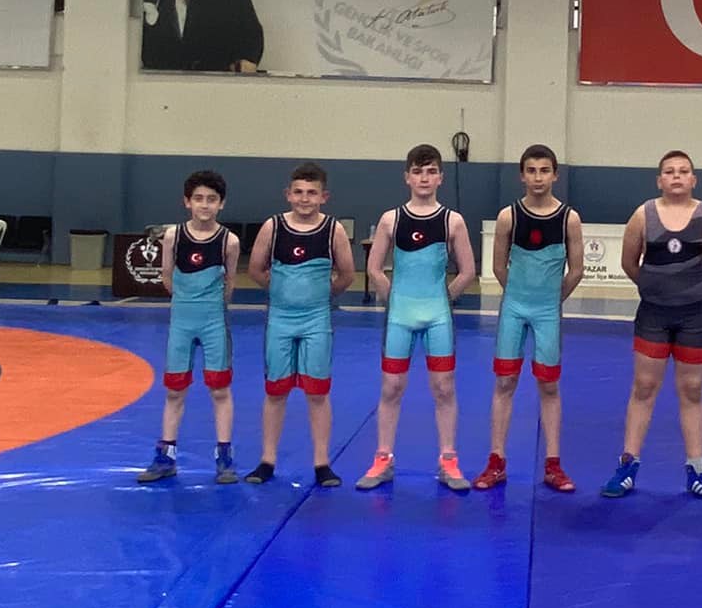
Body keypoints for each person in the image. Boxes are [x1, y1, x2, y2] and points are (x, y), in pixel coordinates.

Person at [599, 151, 702, 504]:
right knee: (644, 386)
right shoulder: (643, 215)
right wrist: (656, 289)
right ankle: (627, 465)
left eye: (683, 171)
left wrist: (692, 291)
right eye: (670, 171)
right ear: (659, 180)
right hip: (653, 316)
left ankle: (697, 471)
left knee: (692, 389)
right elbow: (630, 263)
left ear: (694, 179)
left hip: (695, 317)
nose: (676, 176)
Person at [356, 144, 479, 492]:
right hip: (400, 316)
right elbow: (374, 268)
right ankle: (383, 458)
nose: (424, 178)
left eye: (431, 171)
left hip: (437, 316)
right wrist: (393, 299)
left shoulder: (452, 221)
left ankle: (448, 459)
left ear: (440, 178)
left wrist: (443, 300)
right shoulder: (391, 219)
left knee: (444, 387)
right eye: (418, 172)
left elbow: (468, 270)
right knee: (391, 387)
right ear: (407, 177)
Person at [476, 144, 583, 493]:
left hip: (547, 312)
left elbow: (577, 270)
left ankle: (553, 464)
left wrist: (551, 301)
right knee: (505, 382)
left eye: (544, 170)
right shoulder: (508, 217)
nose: (538, 178)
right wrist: (519, 297)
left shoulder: (569, 218)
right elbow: (498, 266)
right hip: (514, 309)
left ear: (555, 175)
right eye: (532, 171)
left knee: (549, 386)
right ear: (522, 175)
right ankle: (496, 461)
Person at [245, 161, 354, 488]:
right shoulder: (273, 227)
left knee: (317, 392)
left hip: (316, 319)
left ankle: (322, 463)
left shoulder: (333, 230)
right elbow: (255, 269)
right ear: (288, 195)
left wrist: (320, 295)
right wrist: (282, 291)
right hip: (280, 318)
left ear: (324, 197)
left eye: (312, 193)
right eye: (299, 192)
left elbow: (347, 274)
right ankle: (267, 460)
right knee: (275, 390)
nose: (305, 199)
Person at [138, 170, 240, 485]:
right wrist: (186, 303)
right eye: (198, 199)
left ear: (221, 204)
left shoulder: (229, 241)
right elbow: (167, 276)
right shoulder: (173, 237)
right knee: (174, 390)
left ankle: (224, 457)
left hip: (213, 322)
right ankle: (165, 457)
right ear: (187, 202)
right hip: (182, 321)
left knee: (220, 389)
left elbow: (230, 283)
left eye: (211, 199)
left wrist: (208, 306)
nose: (204, 205)